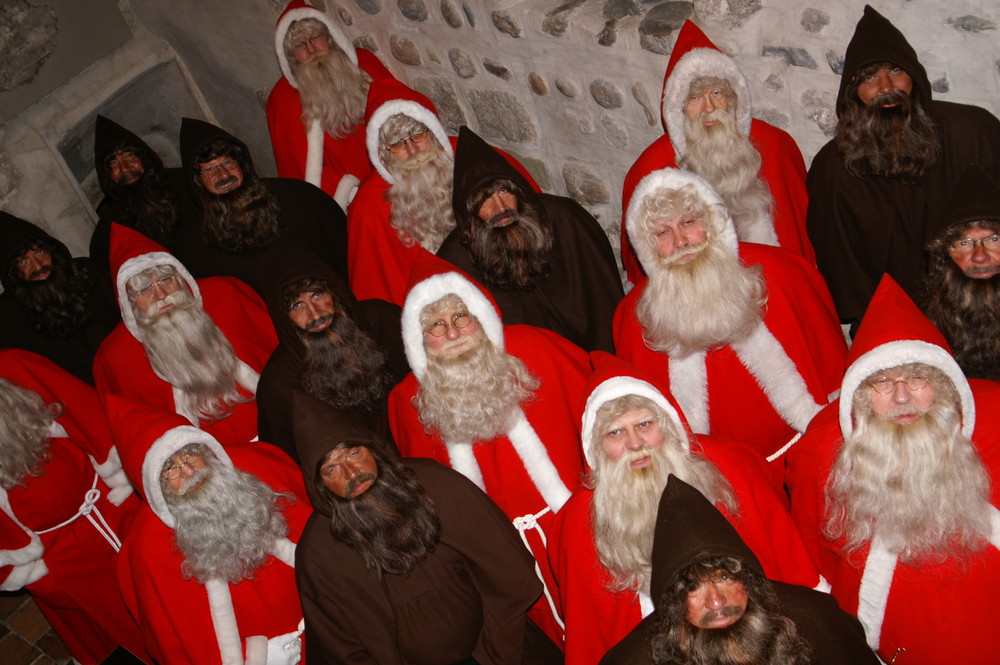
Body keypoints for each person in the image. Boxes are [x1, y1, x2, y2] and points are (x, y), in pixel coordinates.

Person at [550, 353, 822, 665]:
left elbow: (787, 565)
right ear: (597, 447)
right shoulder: (578, 523)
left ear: (667, 424)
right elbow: (592, 630)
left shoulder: (731, 470)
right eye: (616, 432)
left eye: (644, 424)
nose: (635, 443)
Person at [785, 274, 1000, 664]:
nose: (902, 397)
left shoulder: (997, 421)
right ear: (859, 394)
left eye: (918, 379)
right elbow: (816, 549)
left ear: (945, 385)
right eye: (882, 383)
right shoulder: (820, 454)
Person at [388, 259, 591, 644]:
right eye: (435, 325)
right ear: (418, 339)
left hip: (576, 527)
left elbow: (602, 414)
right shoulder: (407, 403)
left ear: (480, 313)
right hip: (501, 559)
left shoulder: (538, 348)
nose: (452, 332)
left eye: (460, 316)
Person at [294, 392, 560, 664]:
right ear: (319, 486)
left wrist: (493, 655)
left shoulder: (435, 484)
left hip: (498, 650)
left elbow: (506, 572)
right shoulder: (318, 551)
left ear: (371, 447)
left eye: (353, 453)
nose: (351, 473)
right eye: (331, 470)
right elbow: (339, 649)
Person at [614, 168, 845, 465]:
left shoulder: (787, 275)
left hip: (805, 454)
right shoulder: (635, 318)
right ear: (646, 246)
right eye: (662, 232)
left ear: (712, 222)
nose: (681, 241)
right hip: (721, 473)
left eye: (688, 222)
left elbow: (831, 366)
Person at [807, 5, 1000, 329]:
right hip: (893, 322)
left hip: (985, 309)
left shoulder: (975, 133)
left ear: (914, 76)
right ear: (853, 93)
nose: (885, 87)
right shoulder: (835, 170)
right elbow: (843, 270)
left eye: (896, 71)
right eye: (869, 77)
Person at [109, 395, 310, 665]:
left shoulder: (258, 463)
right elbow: (176, 642)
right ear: (155, 485)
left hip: (328, 615)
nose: (189, 471)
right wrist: (256, 659)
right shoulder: (147, 550)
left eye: (190, 455)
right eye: (170, 468)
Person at [601, 477, 878, 665]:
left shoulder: (815, 620)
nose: (716, 601)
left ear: (749, 580)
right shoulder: (635, 658)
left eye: (724, 577)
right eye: (693, 587)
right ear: (672, 602)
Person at [620, 20, 813, 285]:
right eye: (694, 98)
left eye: (717, 93)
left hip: (778, 284)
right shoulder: (652, 170)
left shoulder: (775, 146)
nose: (709, 107)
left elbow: (800, 234)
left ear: (734, 98)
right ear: (678, 107)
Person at [0, 349, 146, 665]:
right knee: (119, 629)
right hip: (64, 560)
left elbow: (82, 411)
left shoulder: (14, 366)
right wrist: (41, 579)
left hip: (114, 506)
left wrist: (122, 475)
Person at [439, 126, 624, 353]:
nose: (501, 208)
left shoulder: (566, 220)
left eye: (505, 192)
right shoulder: (456, 260)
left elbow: (605, 302)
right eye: (484, 200)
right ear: (471, 215)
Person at [93, 224, 278, 443]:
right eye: (144, 289)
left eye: (166, 280)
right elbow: (137, 438)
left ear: (181, 277)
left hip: (278, 426)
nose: (161, 294)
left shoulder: (227, 295)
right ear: (128, 301)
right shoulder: (115, 359)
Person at [172, 117, 348, 295]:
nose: (224, 175)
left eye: (227, 163)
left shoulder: (299, 197)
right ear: (197, 180)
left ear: (242, 163)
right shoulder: (195, 243)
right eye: (210, 169)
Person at [257, 259, 408, 461]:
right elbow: (289, 463)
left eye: (317, 295)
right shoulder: (279, 384)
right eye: (297, 305)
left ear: (335, 293)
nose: (315, 314)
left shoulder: (384, 321)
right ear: (286, 318)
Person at [267, 0, 396, 208]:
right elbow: (299, 168)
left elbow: (400, 111)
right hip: (346, 200)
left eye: (315, 38)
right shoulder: (283, 100)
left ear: (328, 36)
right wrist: (352, 194)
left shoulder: (365, 65)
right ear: (291, 55)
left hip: (393, 173)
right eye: (300, 45)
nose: (311, 48)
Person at [346, 79, 457, 303]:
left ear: (433, 131)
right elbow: (374, 287)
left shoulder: (464, 159)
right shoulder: (369, 204)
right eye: (397, 144)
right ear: (382, 153)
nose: (413, 150)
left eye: (418, 135)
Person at [0, 212, 120, 384]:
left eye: (39, 252)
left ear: (52, 250)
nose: (37, 266)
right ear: (11, 273)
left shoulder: (88, 273)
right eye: (22, 261)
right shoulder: (8, 320)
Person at [90, 115, 190, 284]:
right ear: (107, 175)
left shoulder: (184, 182)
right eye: (114, 164)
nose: (125, 168)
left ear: (144, 157)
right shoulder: (109, 228)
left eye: (129, 156)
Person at [922, 165, 1000, 380]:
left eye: (993, 239)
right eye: (964, 243)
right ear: (944, 256)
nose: (980, 256)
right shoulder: (927, 331)